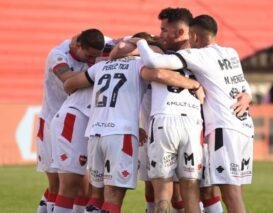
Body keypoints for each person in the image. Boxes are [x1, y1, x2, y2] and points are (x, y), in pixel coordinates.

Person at [63, 37, 203, 213]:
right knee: (114, 194)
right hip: (121, 134)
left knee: (96, 195)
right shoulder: (139, 65)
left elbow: (69, 84)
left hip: (95, 133)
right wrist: (194, 85)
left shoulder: (100, 67)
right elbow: (159, 74)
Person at [133, 14, 254, 213]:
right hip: (243, 125)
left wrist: (140, 42)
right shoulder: (230, 52)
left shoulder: (197, 56)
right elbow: (242, 85)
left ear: (194, 37)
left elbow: (153, 63)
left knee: (229, 193)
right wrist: (248, 95)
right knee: (217, 191)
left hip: (221, 127)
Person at [155, 7, 223, 213]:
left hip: (198, 126)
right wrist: (192, 84)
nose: (160, 34)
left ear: (182, 32)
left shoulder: (205, 56)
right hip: (174, 123)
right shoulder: (162, 53)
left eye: (164, 30)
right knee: (176, 191)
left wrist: (245, 93)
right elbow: (154, 71)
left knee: (206, 189)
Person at [36, 29, 105, 213]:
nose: (92, 60)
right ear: (78, 45)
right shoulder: (58, 55)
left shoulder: (99, 42)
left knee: (81, 188)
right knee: (57, 185)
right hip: (52, 122)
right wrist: (100, 71)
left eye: (95, 57)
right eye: (89, 56)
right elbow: (67, 80)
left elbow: (126, 42)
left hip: (78, 123)